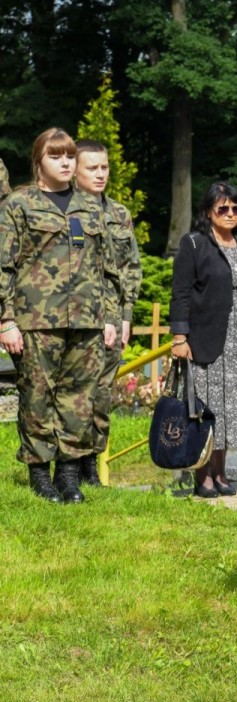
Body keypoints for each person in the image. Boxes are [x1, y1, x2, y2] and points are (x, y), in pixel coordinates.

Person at [0, 128, 119, 503]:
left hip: (87, 319)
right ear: (40, 161)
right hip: (37, 320)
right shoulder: (19, 205)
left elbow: (108, 269)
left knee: (79, 400)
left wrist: (111, 318)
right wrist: (6, 321)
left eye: (69, 156)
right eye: (57, 156)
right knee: (37, 397)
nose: (66, 162)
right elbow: (2, 266)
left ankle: (68, 476)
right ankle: (40, 475)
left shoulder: (90, 206)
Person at [170, 182, 237, 498]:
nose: (230, 214)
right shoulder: (195, 244)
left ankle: (221, 473)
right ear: (208, 211)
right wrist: (180, 336)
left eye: (236, 208)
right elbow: (180, 293)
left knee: (230, 408)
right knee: (206, 406)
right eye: (222, 208)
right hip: (205, 335)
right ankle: (203, 474)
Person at [74, 139, 142, 486]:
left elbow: (131, 267)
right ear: (75, 170)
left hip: (114, 321)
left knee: (101, 394)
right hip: (79, 320)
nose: (101, 174)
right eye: (92, 168)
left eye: (104, 167)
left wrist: (126, 316)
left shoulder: (118, 214)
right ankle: (67, 466)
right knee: (75, 394)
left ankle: (90, 465)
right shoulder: (66, 211)